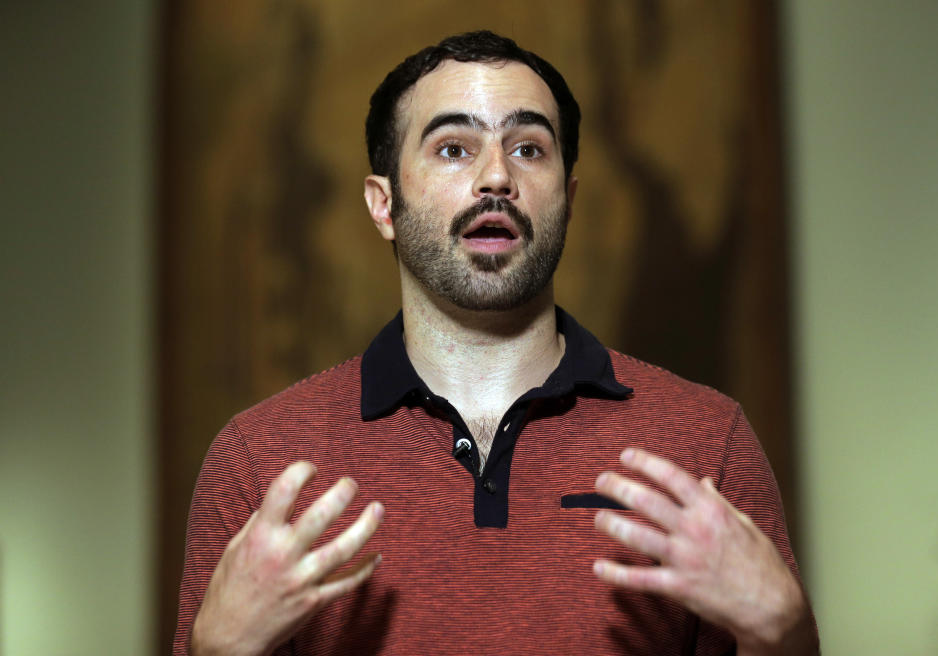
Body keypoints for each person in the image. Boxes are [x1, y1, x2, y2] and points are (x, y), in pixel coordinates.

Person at [174, 31, 819, 656]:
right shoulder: (260, 458)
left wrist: (782, 636)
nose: (496, 177)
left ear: (567, 198)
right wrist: (217, 650)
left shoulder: (705, 439)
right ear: (383, 205)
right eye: (453, 148)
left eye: (529, 149)